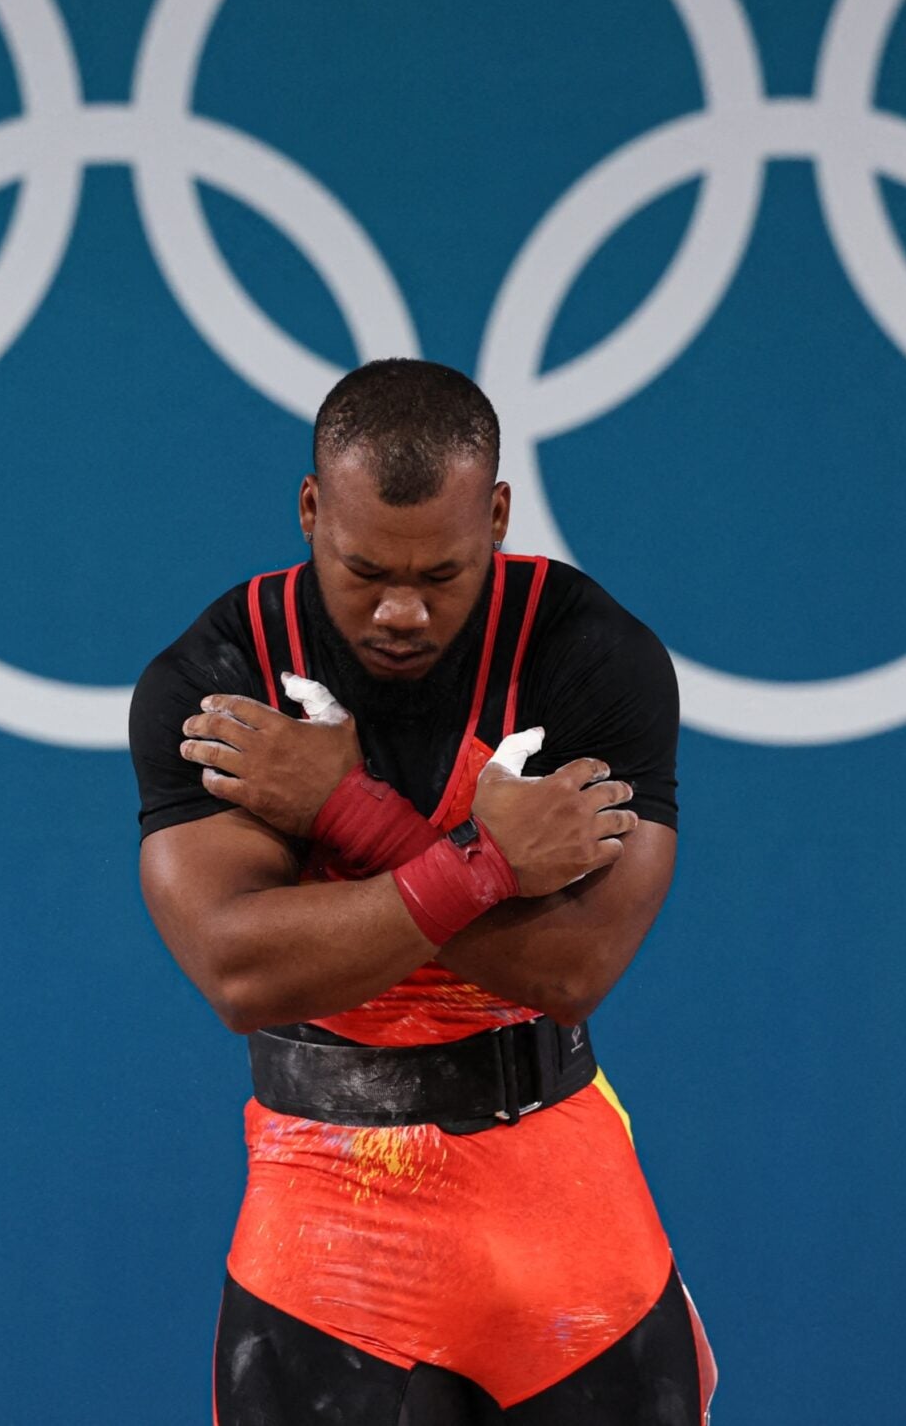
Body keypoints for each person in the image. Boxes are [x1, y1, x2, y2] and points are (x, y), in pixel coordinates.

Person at [130, 360, 715, 1424]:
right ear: (311, 509)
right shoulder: (221, 675)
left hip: (567, 1234)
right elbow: (242, 968)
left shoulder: (591, 657)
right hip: (324, 1238)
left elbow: (572, 967)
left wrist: (344, 812)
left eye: (443, 575)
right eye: (364, 572)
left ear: (496, 515)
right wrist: (490, 864)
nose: (401, 609)